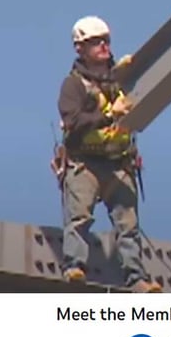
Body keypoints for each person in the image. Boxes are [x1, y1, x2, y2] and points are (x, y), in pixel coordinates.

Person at [55, 15, 161, 293]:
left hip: (118, 163)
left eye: (106, 40)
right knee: (79, 219)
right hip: (85, 162)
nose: (103, 45)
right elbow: (74, 122)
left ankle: (136, 277)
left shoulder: (119, 79)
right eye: (95, 42)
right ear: (80, 48)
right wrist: (107, 116)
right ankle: (74, 266)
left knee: (128, 225)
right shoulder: (74, 85)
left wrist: (125, 75)